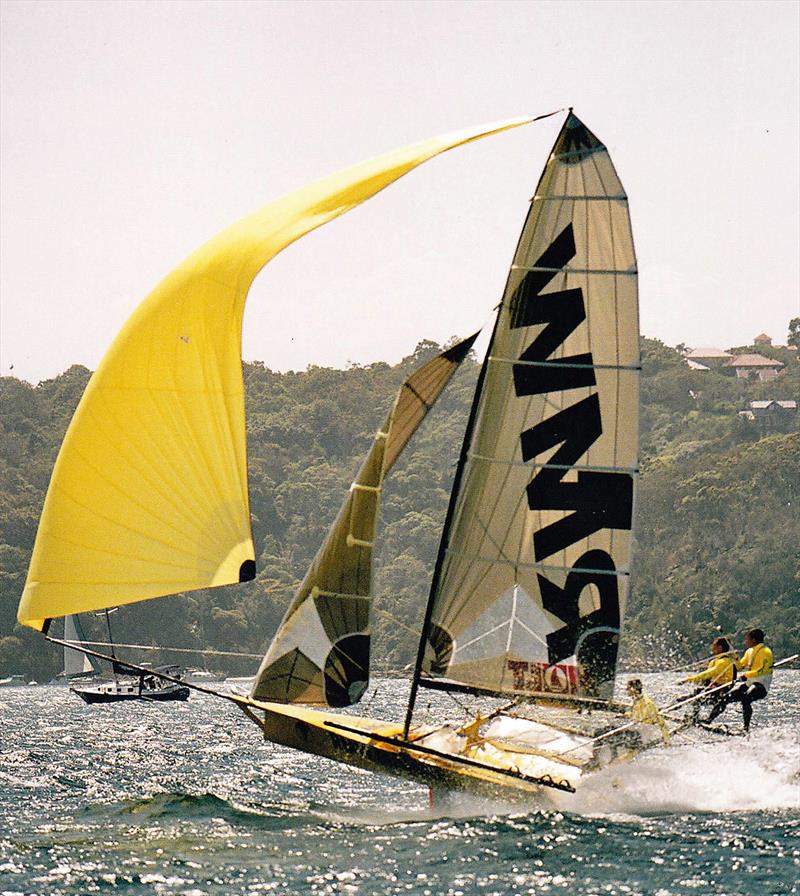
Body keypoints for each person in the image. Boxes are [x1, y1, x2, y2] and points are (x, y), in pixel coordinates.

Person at [708, 628, 773, 732]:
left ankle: (746, 728)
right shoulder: (749, 652)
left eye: (747, 639)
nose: (745, 642)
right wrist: (735, 657)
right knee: (725, 698)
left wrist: (746, 675)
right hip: (749, 684)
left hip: (761, 686)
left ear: (754, 640)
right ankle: (708, 720)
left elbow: (760, 670)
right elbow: (739, 666)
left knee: (746, 697)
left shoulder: (766, 652)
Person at [682, 636, 737, 723]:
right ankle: (689, 712)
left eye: (714, 648)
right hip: (713, 689)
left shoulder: (725, 662)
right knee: (696, 693)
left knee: (699, 697)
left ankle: (706, 719)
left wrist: (689, 679)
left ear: (720, 648)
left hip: (721, 692)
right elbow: (707, 677)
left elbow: (710, 673)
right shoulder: (713, 662)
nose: (712, 650)